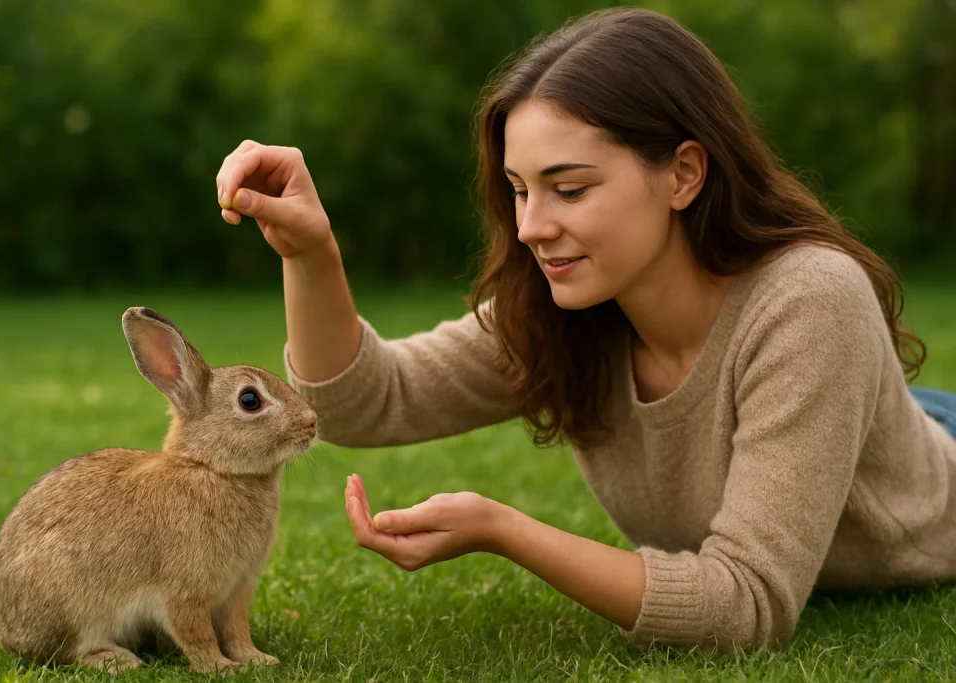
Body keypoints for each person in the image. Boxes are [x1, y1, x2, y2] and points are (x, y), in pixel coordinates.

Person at [214, 7, 956, 652]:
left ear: (684, 174)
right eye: (519, 190)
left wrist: (503, 528)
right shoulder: (565, 301)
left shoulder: (810, 300)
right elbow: (361, 402)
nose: (533, 227)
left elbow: (746, 603)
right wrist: (312, 252)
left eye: (570, 188)